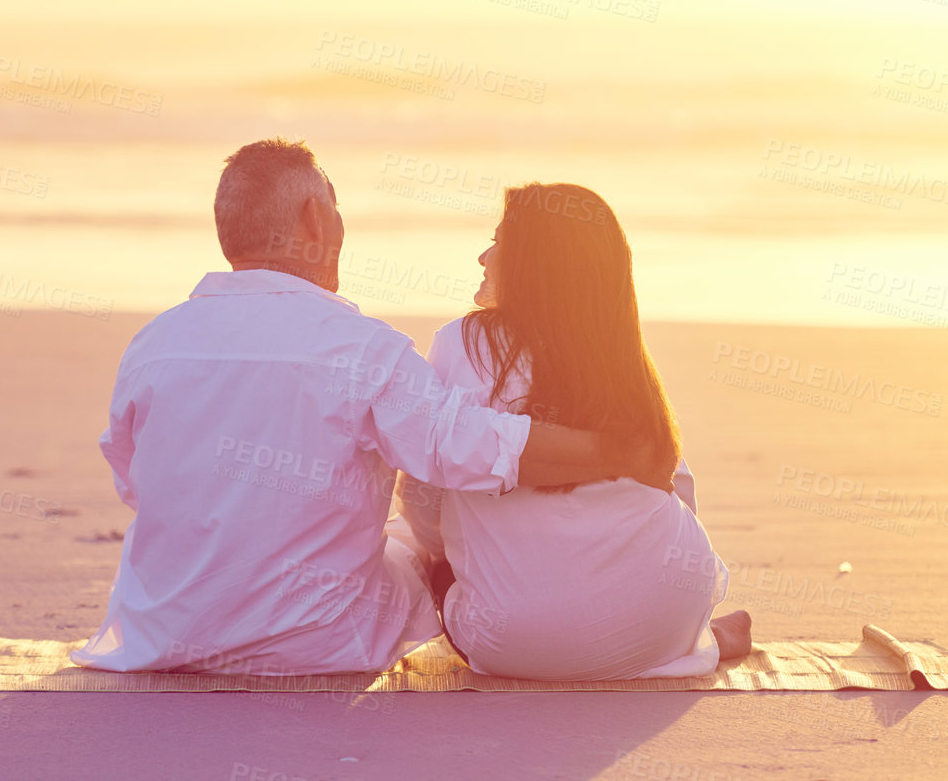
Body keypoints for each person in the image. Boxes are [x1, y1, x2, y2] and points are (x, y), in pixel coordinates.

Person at [69, 141, 668, 676]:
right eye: (335, 208)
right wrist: (617, 451)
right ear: (315, 218)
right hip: (315, 644)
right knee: (417, 546)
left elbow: (135, 483)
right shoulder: (363, 349)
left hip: (162, 636)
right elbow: (463, 447)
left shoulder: (153, 345)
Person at [397, 182, 752, 680]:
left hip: (515, 641)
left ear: (534, 265)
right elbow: (678, 487)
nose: (484, 255)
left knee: (421, 551)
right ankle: (701, 635)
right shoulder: (618, 357)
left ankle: (696, 633)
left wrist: (444, 555)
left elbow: (422, 491)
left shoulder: (464, 343)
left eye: (500, 242)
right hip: (664, 617)